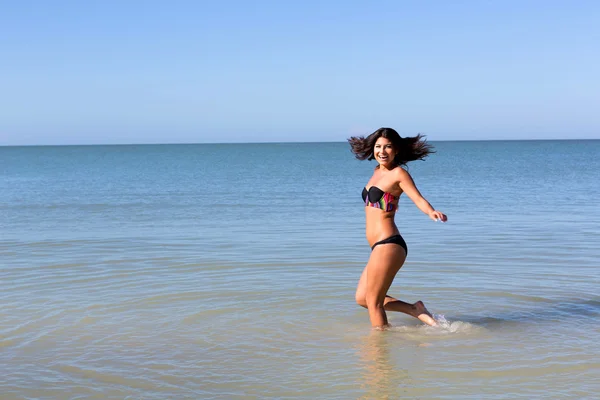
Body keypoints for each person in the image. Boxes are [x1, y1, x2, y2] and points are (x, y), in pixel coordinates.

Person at [348, 127, 447, 330]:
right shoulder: (376, 172)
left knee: (374, 302)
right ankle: (415, 309)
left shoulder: (399, 174)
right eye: (378, 147)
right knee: (362, 298)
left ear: (397, 150)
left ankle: (379, 351)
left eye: (388, 147)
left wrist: (431, 212)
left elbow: (417, 198)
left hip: (389, 243)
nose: (382, 151)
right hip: (377, 246)